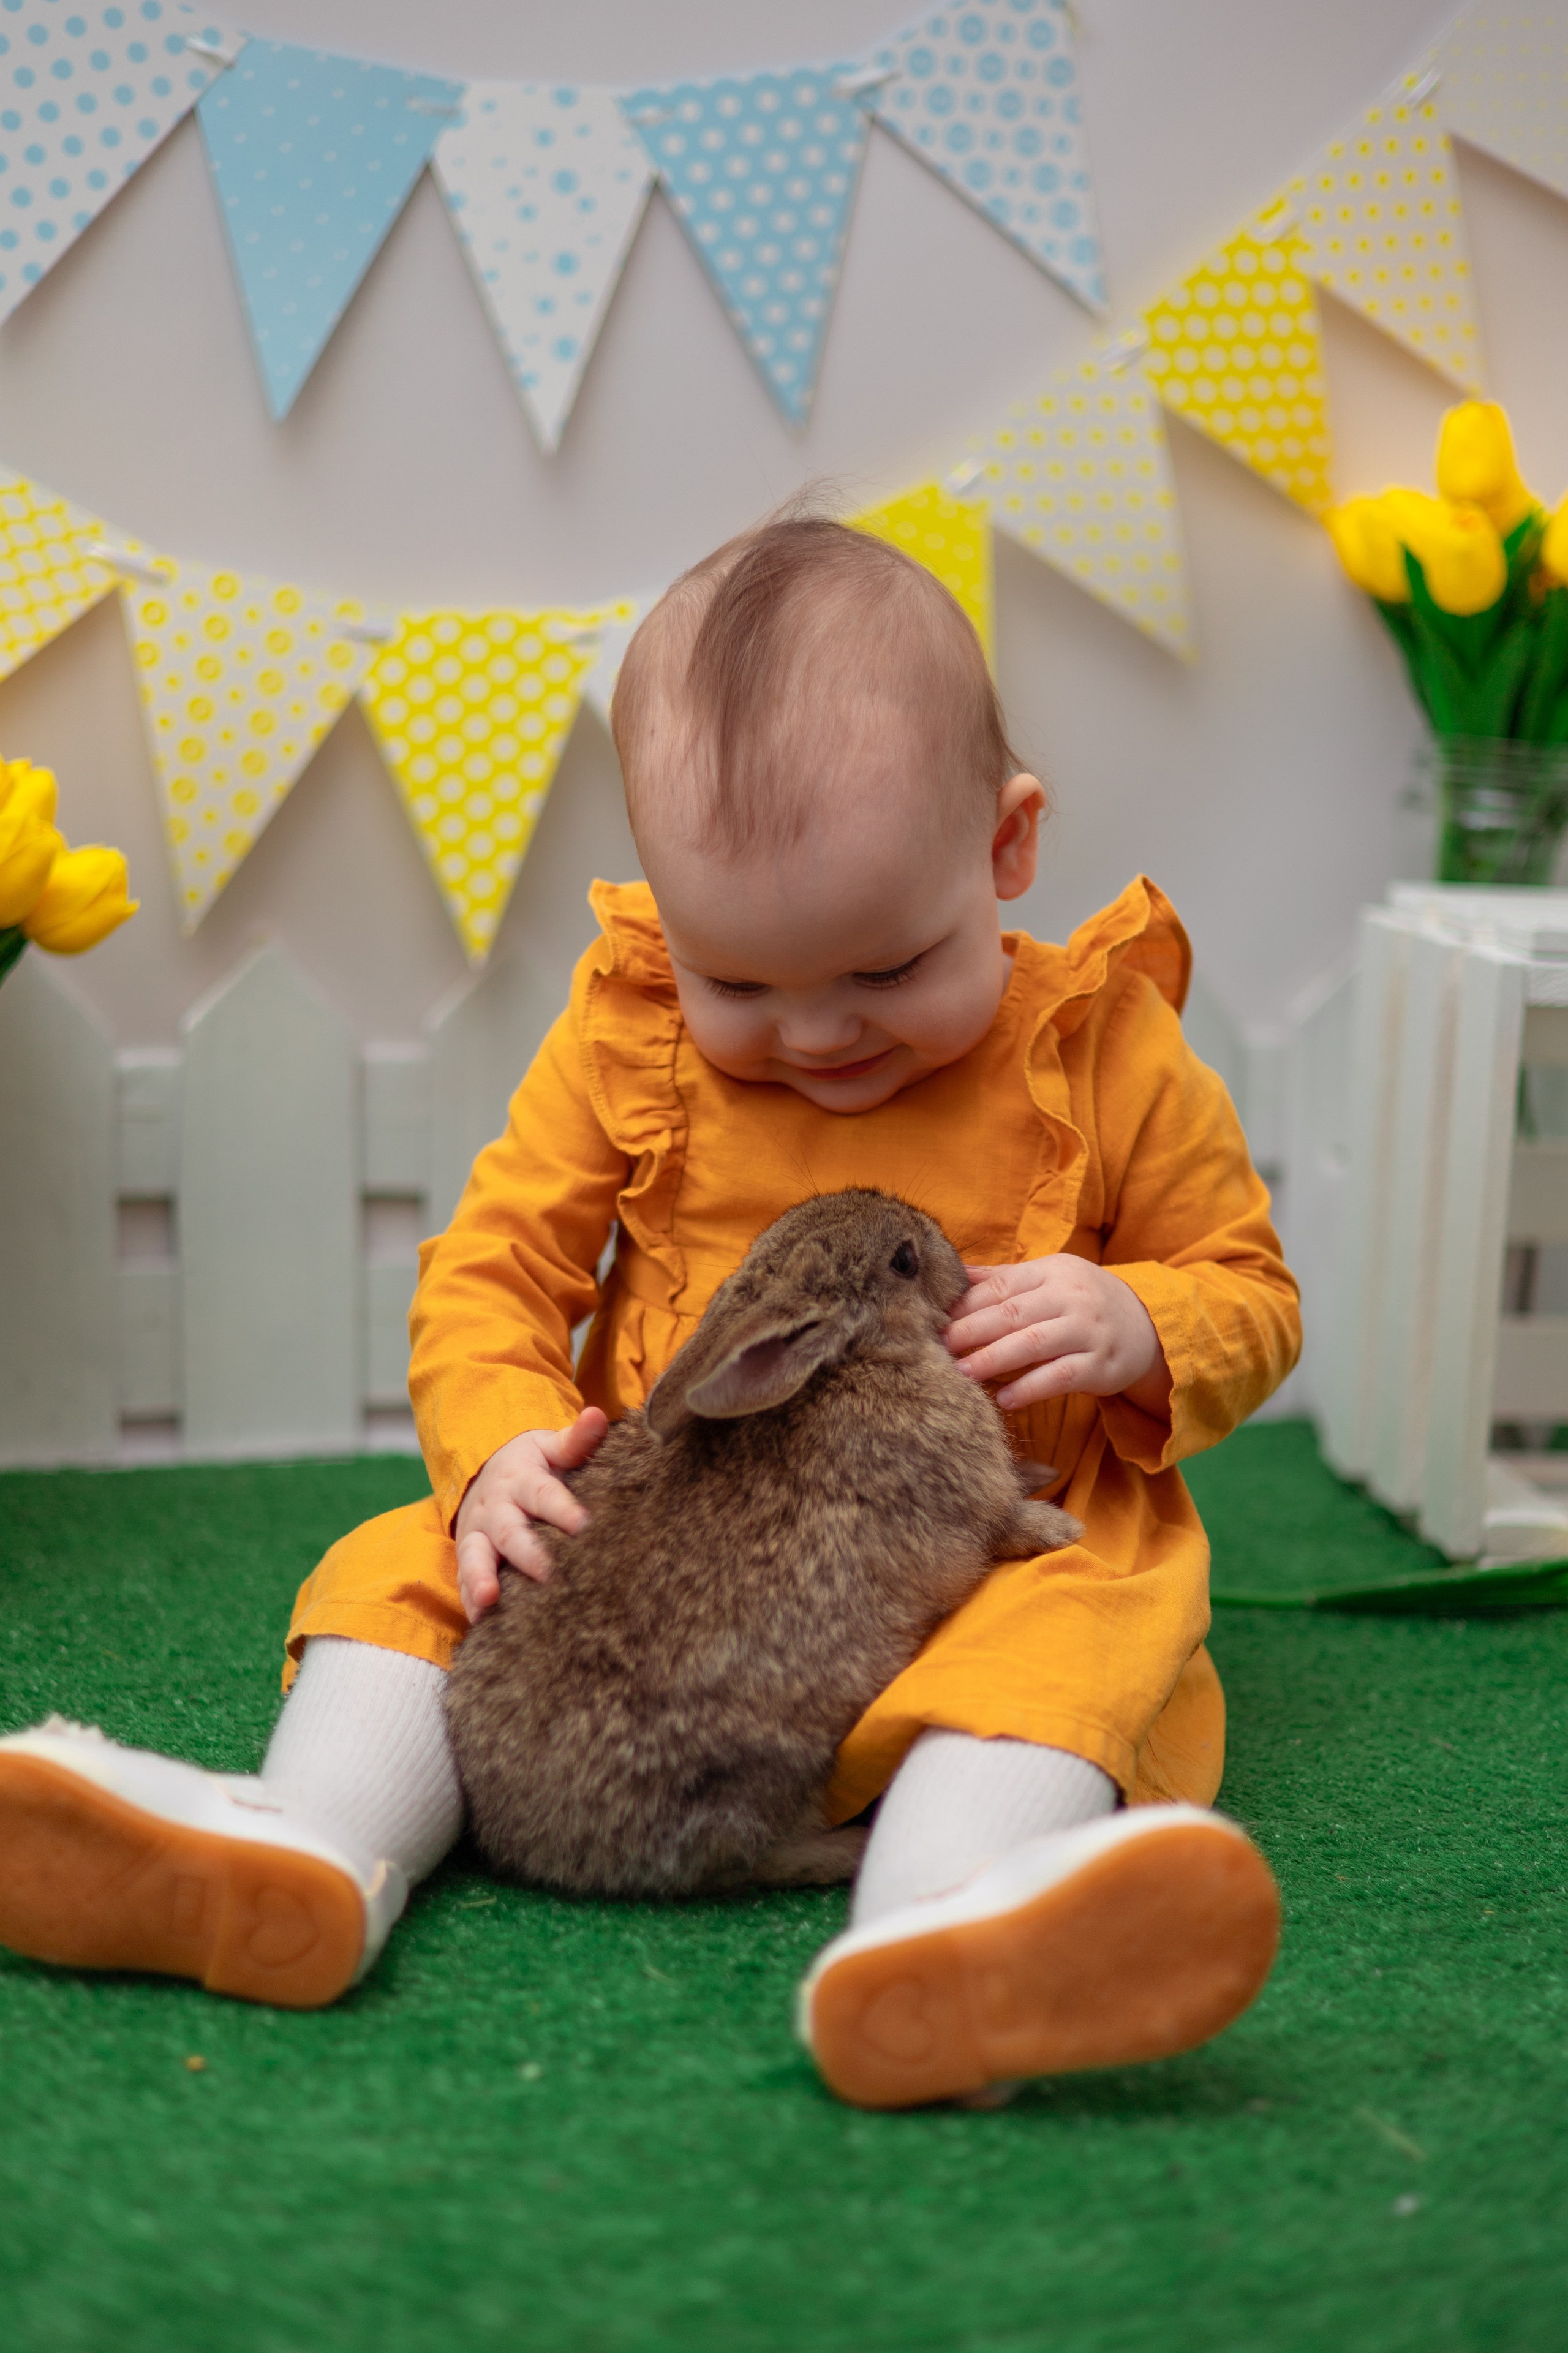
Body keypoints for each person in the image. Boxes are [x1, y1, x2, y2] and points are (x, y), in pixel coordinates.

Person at [0, 515, 1299, 2109]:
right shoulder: (628, 1034)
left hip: (996, 1543)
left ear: (1007, 848)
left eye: (887, 969)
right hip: (658, 1542)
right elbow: (492, 1269)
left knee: (1073, 1647)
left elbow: (1250, 1292)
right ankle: (310, 1850)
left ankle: (948, 1942)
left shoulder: (1110, 1050)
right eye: (739, 984)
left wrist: (1144, 1320)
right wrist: (496, 1454)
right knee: (402, 1568)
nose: (818, 1036)